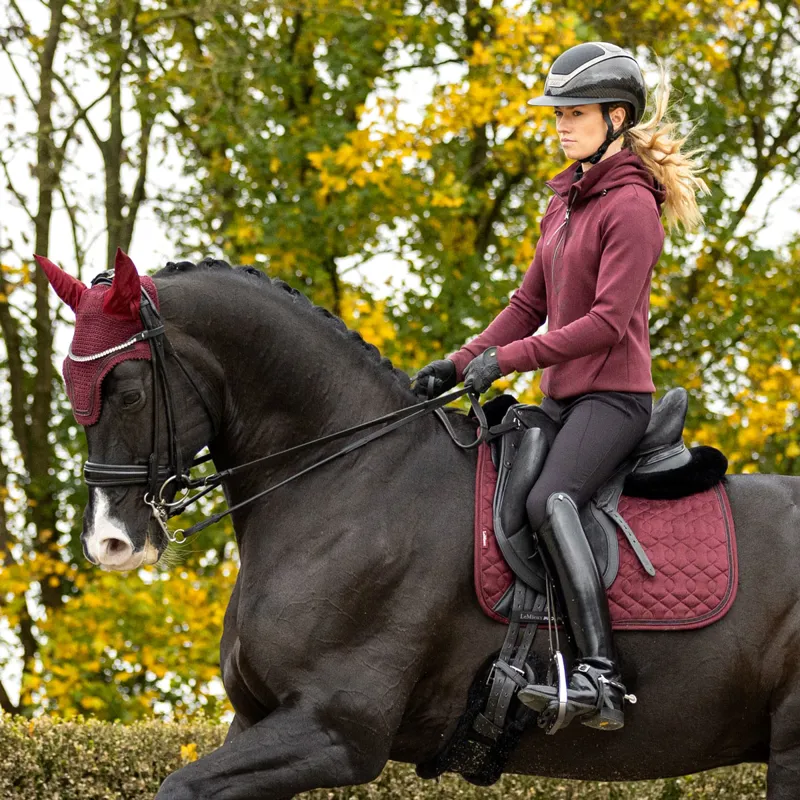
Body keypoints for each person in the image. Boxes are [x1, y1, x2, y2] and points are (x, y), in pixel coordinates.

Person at [414, 42, 708, 731]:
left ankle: (603, 677)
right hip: (562, 398)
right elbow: (526, 304)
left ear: (616, 116)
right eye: (558, 113)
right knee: (491, 478)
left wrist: (510, 359)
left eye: (574, 113)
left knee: (551, 500)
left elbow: (606, 324)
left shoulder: (631, 207)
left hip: (615, 400)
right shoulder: (565, 203)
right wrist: (458, 363)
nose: (561, 125)